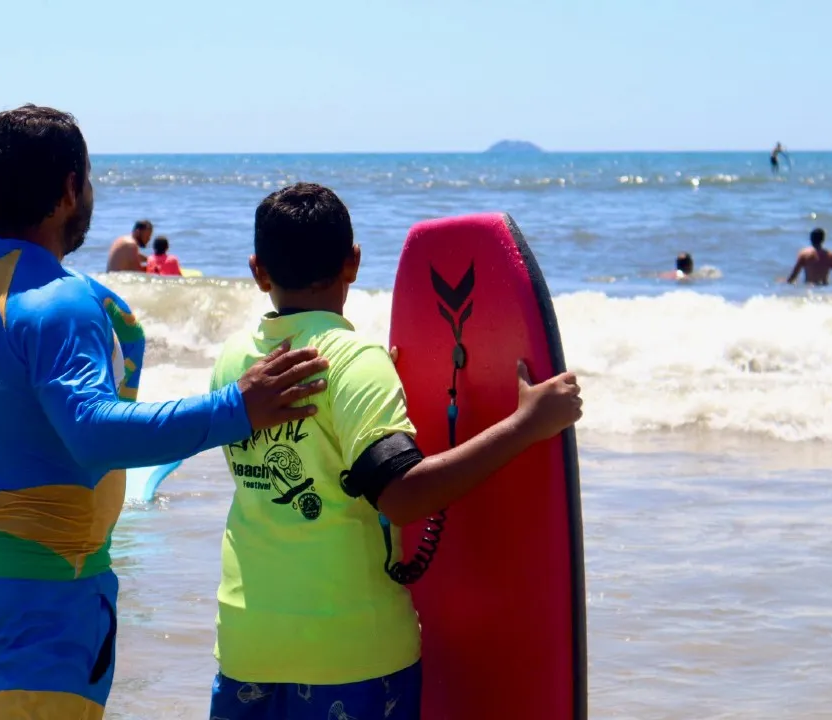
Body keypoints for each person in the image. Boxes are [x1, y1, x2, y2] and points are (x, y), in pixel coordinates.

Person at [0, 105, 330, 720]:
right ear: (69, 188)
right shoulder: (62, 301)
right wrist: (237, 407)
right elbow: (95, 434)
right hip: (48, 579)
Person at [206, 182, 584, 720]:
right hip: (350, 650)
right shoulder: (354, 361)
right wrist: (527, 424)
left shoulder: (233, 362)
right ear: (353, 262)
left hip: (248, 642)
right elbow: (402, 498)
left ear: (258, 270)